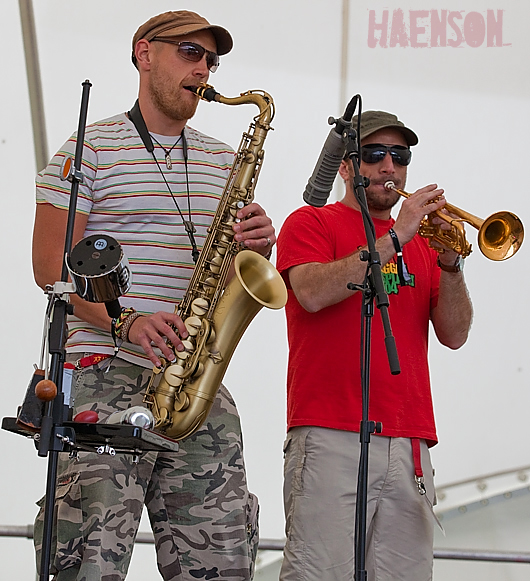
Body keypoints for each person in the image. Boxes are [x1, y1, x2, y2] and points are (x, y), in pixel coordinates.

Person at [31, 10, 276, 581]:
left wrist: (258, 245)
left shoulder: (224, 159)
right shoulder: (88, 150)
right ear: (144, 53)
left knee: (223, 563)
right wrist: (128, 321)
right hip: (103, 371)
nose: (204, 69)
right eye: (190, 52)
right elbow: (49, 267)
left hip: (192, 381)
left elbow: (229, 274)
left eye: (212, 60)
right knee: (88, 560)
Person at [276, 110, 473, 581]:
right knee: (319, 573)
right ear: (346, 167)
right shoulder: (311, 222)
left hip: (409, 439)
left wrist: (450, 264)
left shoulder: (425, 243)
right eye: (375, 154)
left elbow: (456, 334)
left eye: (400, 157)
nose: (390, 167)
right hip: (330, 429)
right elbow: (311, 292)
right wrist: (395, 236)